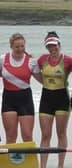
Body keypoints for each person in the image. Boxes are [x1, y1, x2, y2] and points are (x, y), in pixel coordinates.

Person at [0, 33, 41, 144]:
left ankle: (30, 161)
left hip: (25, 100)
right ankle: (10, 161)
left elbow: (42, 80)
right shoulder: (2, 59)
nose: (20, 49)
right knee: (11, 137)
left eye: (22, 46)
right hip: (8, 99)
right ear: (11, 46)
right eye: (17, 46)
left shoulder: (31, 61)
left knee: (27, 136)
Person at [37, 31, 72, 168]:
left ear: (59, 45)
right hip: (46, 98)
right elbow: (32, 70)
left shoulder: (68, 60)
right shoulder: (42, 60)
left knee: (61, 133)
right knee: (45, 135)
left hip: (62, 98)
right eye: (49, 46)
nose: (52, 49)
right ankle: (43, 166)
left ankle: (60, 166)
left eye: (54, 45)